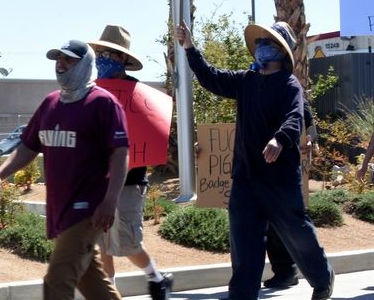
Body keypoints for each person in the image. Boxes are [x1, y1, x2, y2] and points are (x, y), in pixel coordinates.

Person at [175, 21, 334, 300]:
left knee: (297, 233)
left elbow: (295, 117)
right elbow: (211, 76)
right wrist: (190, 48)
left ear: (280, 52)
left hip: (280, 180)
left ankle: (322, 277)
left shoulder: (289, 85)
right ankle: (242, 294)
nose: (261, 46)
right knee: (244, 240)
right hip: (246, 178)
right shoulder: (245, 81)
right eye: (260, 41)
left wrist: (279, 139)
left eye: (268, 43)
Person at [0, 39, 130, 300]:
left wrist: (110, 201)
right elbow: (28, 147)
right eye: (58, 60)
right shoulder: (50, 104)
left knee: (57, 282)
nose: (60, 65)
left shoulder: (103, 104)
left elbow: (121, 154)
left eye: (69, 60)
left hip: (89, 210)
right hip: (60, 209)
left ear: (85, 64)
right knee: (92, 283)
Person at [88, 25, 173, 300]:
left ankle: (157, 279)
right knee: (102, 243)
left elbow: (154, 133)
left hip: (130, 182)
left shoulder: (140, 97)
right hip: (98, 182)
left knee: (127, 242)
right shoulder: (92, 93)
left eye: (110, 53)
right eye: (100, 52)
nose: (103, 57)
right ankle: (109, 291)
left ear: (123, 59)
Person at [263, 98, 317, 290]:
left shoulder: (294, 94)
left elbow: (309, 127)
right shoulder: (253, 90)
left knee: (283, 223)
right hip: (260, 168)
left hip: (285, 168)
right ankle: (283, 271)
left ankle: (290, 272)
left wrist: (310, 141)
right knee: (266, 225)